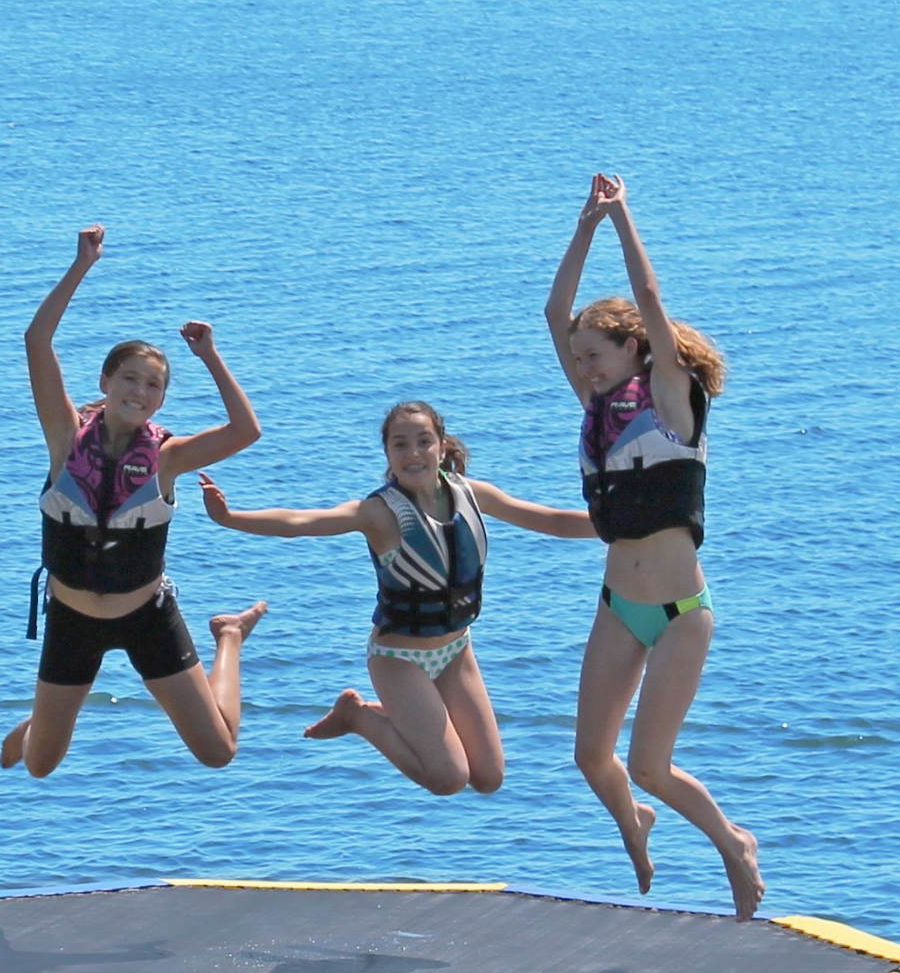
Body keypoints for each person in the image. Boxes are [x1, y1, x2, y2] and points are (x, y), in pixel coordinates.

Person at [544, 173, 764, 920]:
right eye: (577, 359)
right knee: (590, 757)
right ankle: (633, 825)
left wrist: (622, 220)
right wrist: (582, 228)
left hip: (678, 611)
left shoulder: (672, 406)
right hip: (617, 605)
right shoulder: (599, 410)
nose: (584, 368)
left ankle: (733, 845)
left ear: (637, 351)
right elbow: (552, 312)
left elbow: (653, 300)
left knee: (650, 763)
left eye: (596, 355)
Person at [199, 399, 594, 795]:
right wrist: (231, 517)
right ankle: (358, 716)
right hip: (398, 660)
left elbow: (552, 520)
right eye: (400, 445)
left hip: (456, 651)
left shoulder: (473, 495)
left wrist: (621, 526)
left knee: (489, 778)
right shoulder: (380, 514)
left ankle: (403, 719)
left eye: (424, 441)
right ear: (388, 453)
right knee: (448, 778)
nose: (413, 453)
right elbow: (300, 522)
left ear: (442, 446)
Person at [1, 225, 267, 777]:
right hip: (72, 619)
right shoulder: (64, 437)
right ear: (105, 379)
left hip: (148, 615)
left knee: (218, 753)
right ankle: (37, 726)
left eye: (153, 386)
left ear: (162, 398)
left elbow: (246, 431)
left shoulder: (168, 457)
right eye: (129, 378)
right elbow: (36, 341)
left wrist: (211, 356)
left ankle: (230, 635)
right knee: (40, 765)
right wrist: (81, 266)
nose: (139, 392)